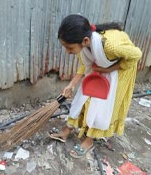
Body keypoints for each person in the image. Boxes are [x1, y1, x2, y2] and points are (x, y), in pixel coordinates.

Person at [49, 14, 142, 158]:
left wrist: (110, 69)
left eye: (69, 48)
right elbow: (85, 64)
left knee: (103, 106)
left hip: (120, 72)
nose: (67, 52)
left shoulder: (110, 46)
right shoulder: (85, 43)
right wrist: (72, 84)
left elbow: (137, 54)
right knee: (83, 97)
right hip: (101, 68)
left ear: (85, 41)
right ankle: (67, 130)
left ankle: (89, 140)